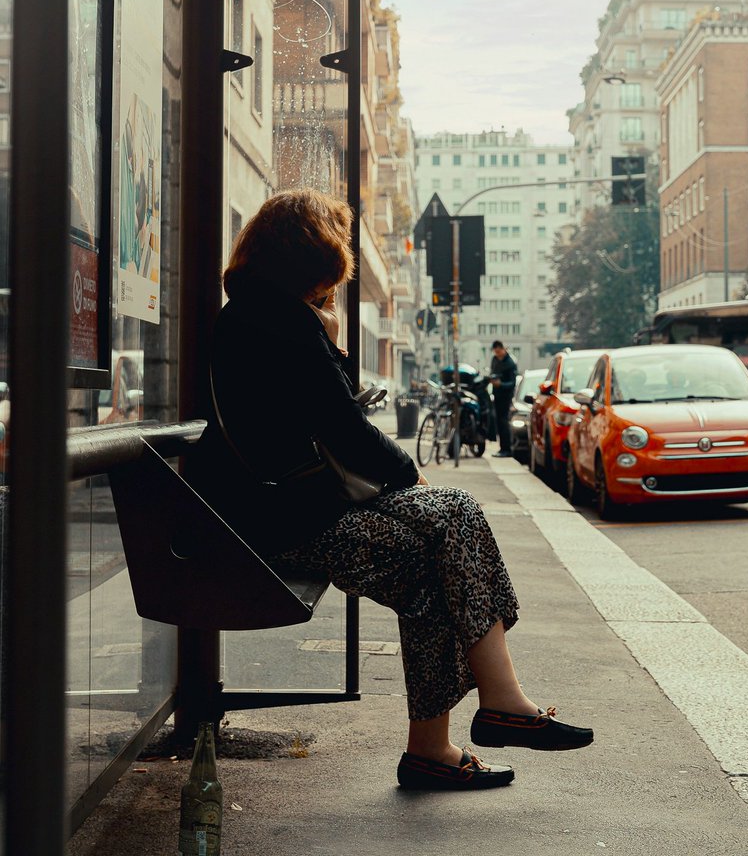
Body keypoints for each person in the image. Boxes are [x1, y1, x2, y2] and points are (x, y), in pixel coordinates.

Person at [194, 189, 591, 791]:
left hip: (278, 511)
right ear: (309, 251)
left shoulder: (252, 312)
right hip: (284, 523)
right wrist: (412, 474)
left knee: (434, 571)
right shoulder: (279, 318)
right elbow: (345, 432)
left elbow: (315, 419)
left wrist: (322, 335)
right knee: (452, 510)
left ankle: (441, 744)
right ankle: (498, 703)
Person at [488, 339, 518, 458]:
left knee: (503, 422)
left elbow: (512, 383)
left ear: (503, 349)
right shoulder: (494, 360)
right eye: (496, 352)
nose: (498, 355)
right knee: (499, 422)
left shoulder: (510, 363)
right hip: (497, 394)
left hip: (506, 396)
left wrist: (501, 384)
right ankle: (502, 448)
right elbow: (493, 372)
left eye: (499, 352)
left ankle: (507, 449)